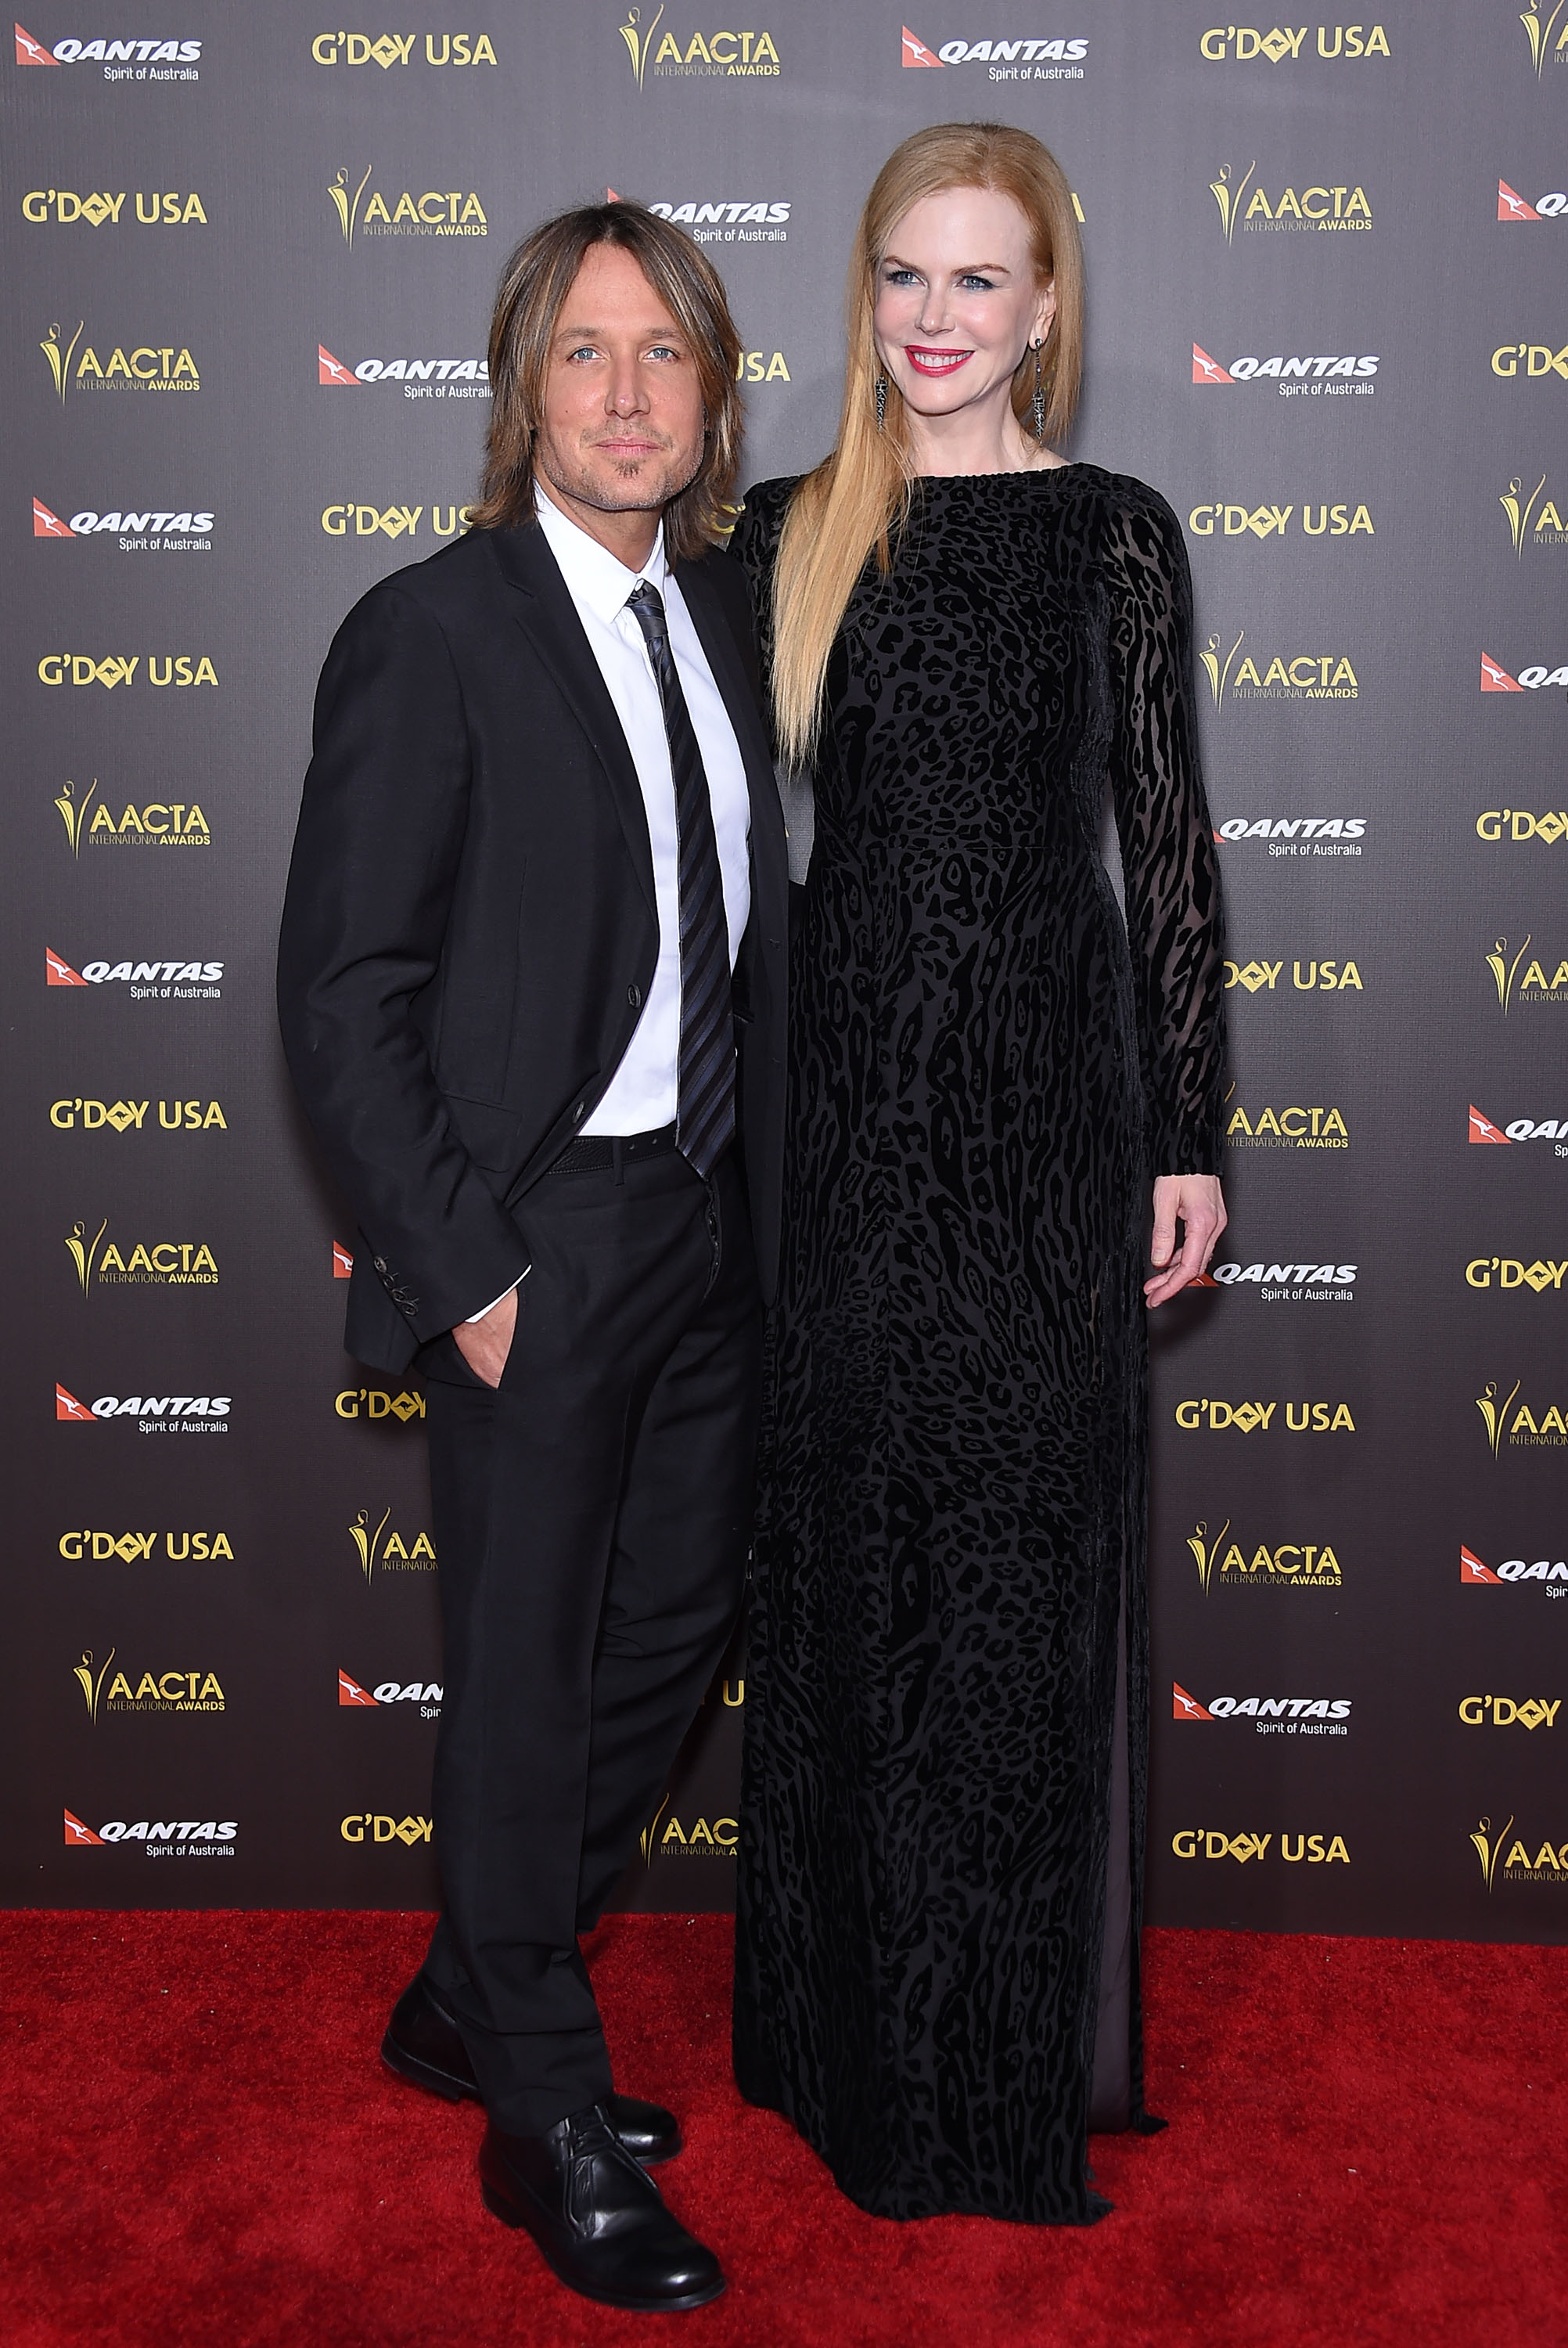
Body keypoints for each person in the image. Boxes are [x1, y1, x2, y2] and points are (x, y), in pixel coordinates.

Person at [278, 201, 787, 2312]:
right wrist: (469, 1273)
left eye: (666, 353)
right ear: (522, 387)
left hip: (710, 1212)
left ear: (713, 393)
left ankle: (474, 1994)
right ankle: (544, 2116)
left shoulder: (731, 616)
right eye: (586, 351)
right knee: (519, 1679)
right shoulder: (433, 630)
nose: (628, 393)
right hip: (538, 1239)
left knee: (672, 1629)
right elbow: (344, 994)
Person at [728, 122, 1227, 2225]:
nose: (935, 317)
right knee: (860, 1578)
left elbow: (1167, 844)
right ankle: (849, 2046)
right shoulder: (784, 530)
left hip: (1043, 1123)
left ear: (1042, 312)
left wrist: (1189, 1132)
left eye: (978, 280)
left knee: (1018, 1600)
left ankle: (1007, 2064)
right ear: (868, 301)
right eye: (904, 276)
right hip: (843, 1134)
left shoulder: (1113, 535)